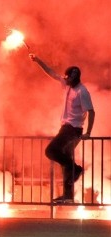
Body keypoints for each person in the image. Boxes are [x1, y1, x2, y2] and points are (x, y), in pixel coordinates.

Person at [29, 54, 95, 203]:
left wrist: (88, 132)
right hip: (66, 128)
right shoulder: (67, 84)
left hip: (73, 129)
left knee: (51, 151)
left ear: (75, 78)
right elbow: (51, 73)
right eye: (66, 78)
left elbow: (91, 112)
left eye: (69, 78)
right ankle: (68, 195)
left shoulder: (82, 91)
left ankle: (76, 169)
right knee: (66, 158)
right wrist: (38, 60)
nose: (66, 80)